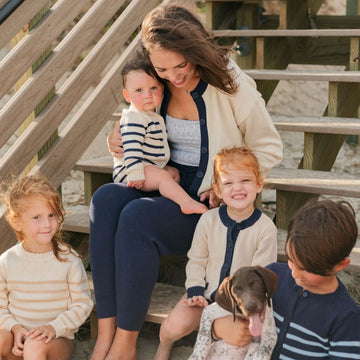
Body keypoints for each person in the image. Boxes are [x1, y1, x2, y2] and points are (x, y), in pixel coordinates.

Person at [89, 3, 283, 360]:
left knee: (137, 219)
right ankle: (105, 332)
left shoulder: (230, 83)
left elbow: (268, 147)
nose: (174, 76)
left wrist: (224, 188)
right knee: (105, 199)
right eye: (163, 68)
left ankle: (126, 342)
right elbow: (135, 128)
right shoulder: (154, 78)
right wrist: (116, 144)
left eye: (182, 64)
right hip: (165, 184)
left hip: (207, 205)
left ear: (196, 50)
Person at [154, 146, 278, 360]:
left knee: (240, 336)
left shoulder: (265, 229)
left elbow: (260, 274)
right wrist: (194, 290)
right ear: (218, 190)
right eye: (228, 183)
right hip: (204, 297)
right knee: (172, 327)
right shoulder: (208, 220)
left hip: (241, 304)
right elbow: (197, 259)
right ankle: (163, 347)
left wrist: (239, 309)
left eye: (245, 181)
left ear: (259, 184)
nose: (237, 188)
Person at [212, 199, 360, 359]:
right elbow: (217, 311)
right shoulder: (270, 277)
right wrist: (218, 328)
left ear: (340, 265)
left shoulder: (347, 318)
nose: (295, 273)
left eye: (306, 269)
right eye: (291, 261)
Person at [0, 175, 93, 360]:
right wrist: (14, 327)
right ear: (17, 223)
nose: (46, 224)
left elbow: (83, 304)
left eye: (51, 215)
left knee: (35, 346)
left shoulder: (69, 260)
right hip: (18, 338)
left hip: (55, 340)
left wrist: (53, 327)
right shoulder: (6, 261)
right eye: (36, 217)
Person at [113, 53, 207, 214]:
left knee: (173, 174)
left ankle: (163, 199)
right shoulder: (134, 117)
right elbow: (132, 147)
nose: (147, 95)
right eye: (139, 90)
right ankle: (186, 203)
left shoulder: (151, 114)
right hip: (131, 170)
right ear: (127, 95)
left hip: (149, 167)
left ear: (162, 89)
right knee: (164, 177)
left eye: (153, 88)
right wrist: (135, 173)